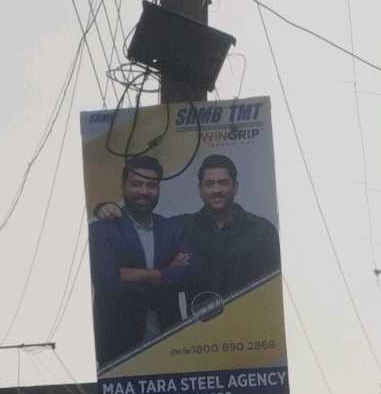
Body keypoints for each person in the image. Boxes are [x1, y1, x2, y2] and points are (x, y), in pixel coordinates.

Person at [88, 154, 195, 367]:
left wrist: (132, 275)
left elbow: (188, 274)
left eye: (151, 185)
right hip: (118, 345)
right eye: (136, 184)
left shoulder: (172, 229)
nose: (144, 191)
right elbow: (106, 282)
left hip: (169, 341)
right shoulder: (101, 230)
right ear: (123, 186)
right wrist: (164, 275)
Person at [181, 153, 281, 301]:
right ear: (200, 189)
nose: (216, 190)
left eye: (223, 183)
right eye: (209, 184)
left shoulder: (263, 231)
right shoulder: (182, 229)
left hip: (251, 315)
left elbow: (274, 289)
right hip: (201, 316)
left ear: (235, 187)